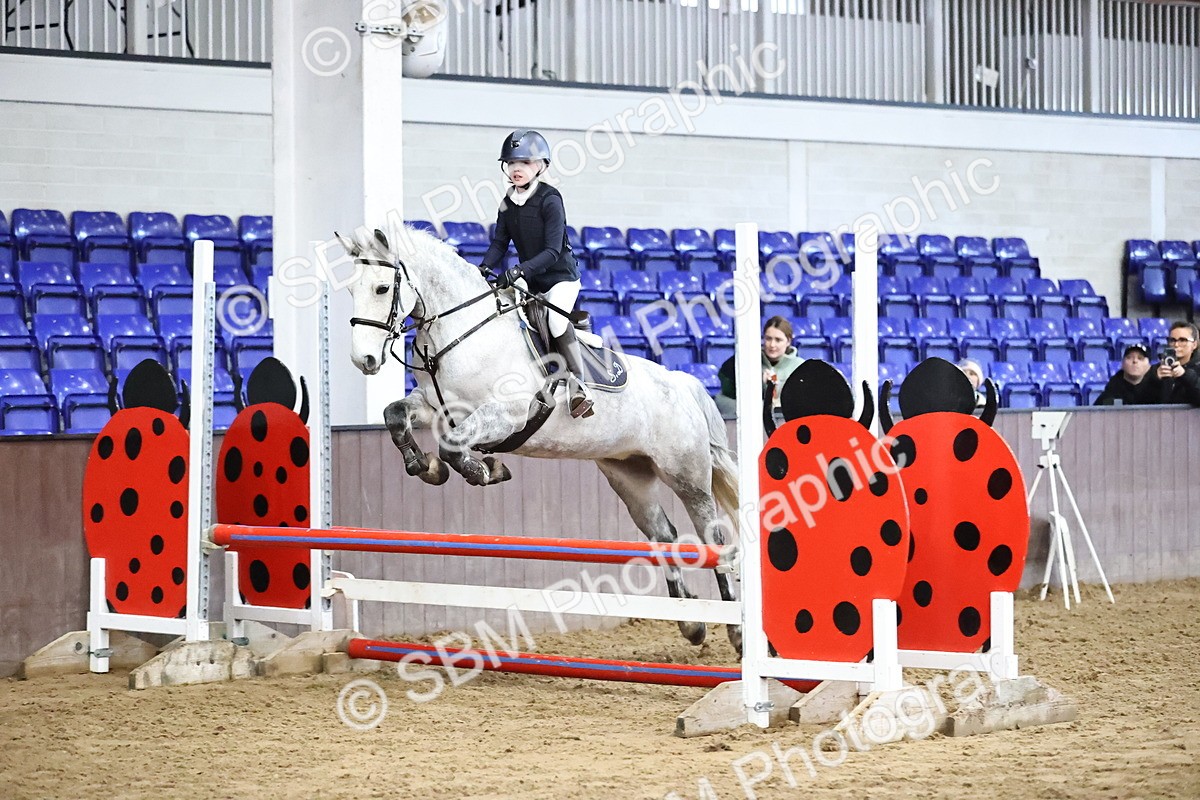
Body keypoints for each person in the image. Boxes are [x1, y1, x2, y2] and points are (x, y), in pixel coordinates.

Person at [478, 130, 593, 418]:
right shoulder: (508, 200)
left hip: (560, 278)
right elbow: (500, 243)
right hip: (531, 278)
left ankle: (579, 385)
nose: (516, 168)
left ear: (541, 165)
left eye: (525, 162)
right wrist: (484, 267)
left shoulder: (550, 199)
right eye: (511, 163)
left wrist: (518, 270)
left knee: (555, 321)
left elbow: (553, 251)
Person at [715, 316, 804, 417]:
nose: (772, 345)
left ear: (788, 341)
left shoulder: (800, 367)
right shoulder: (746, 362)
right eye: (768, 339)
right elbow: (726, 395)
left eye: (778, 340)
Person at [1140, 321, 1200, 407]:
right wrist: (1155, 380)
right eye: (1172, 340)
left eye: (1182, 340)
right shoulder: (1157, 369)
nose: (1176, 344)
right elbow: (1140, 402)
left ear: (1194, 345)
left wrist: (1185, 375)